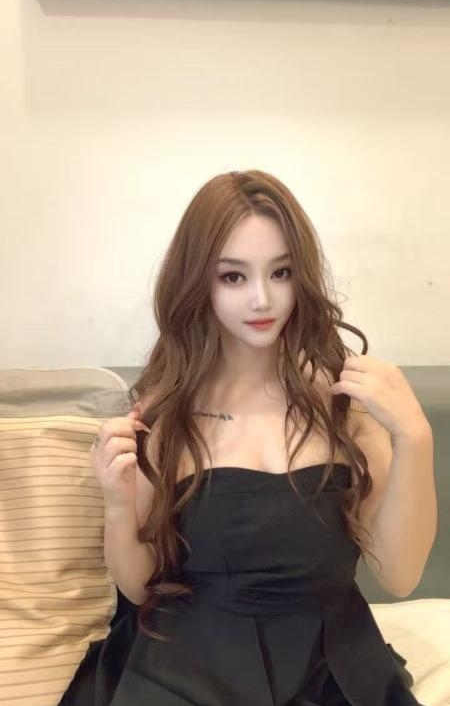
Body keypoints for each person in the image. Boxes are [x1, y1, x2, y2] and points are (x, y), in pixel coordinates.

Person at [58, 169, 431, 706]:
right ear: (198, 282)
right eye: (233, 277)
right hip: (189, 666)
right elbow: (140, 588)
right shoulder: (167, 413)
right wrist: (117, 505)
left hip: (331, 665)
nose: (262, 299)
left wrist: (414, 437)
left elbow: (399, 576)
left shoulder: (346, 404)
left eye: (281, 272)